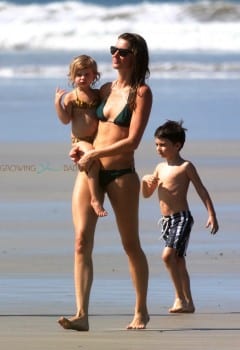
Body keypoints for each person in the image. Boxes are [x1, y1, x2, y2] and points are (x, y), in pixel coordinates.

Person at [58, 33, 152, 331]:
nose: (115, 55)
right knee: (81, 240)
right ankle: (81, 314)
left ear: (135, 56)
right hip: (90, 171)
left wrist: (94, 151)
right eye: (113, 50)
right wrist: (79, 145)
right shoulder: (106, 89)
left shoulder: (141, 93)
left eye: (121, 52)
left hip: (122, 174)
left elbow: (133, 141)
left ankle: (141, 310)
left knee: (130, 244)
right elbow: (82, 116)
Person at [141, 120, 219, 313]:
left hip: (182, 218)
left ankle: (179, 299)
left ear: (177, 146)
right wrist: (144, 181)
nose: (159, 149)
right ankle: (189, 303)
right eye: (157, 145)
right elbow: (146, 194)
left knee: (168, 256)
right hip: (166, 222)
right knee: (179, 261)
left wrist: (211, 214)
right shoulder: (159, 168)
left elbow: (201, 189)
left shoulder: (185, 167)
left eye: (163, 145)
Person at [55, 54, 107, 217]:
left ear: (94, 76)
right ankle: (95, 198)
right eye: (78, 75)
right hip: (80, 140)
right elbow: (65, 120)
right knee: (92, 158)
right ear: (72, 77)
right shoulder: (71, 97)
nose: (82, 78)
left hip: (96, 140)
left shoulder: (97, 95)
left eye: (87, 74)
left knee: (95, 158)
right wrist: (58, 103)